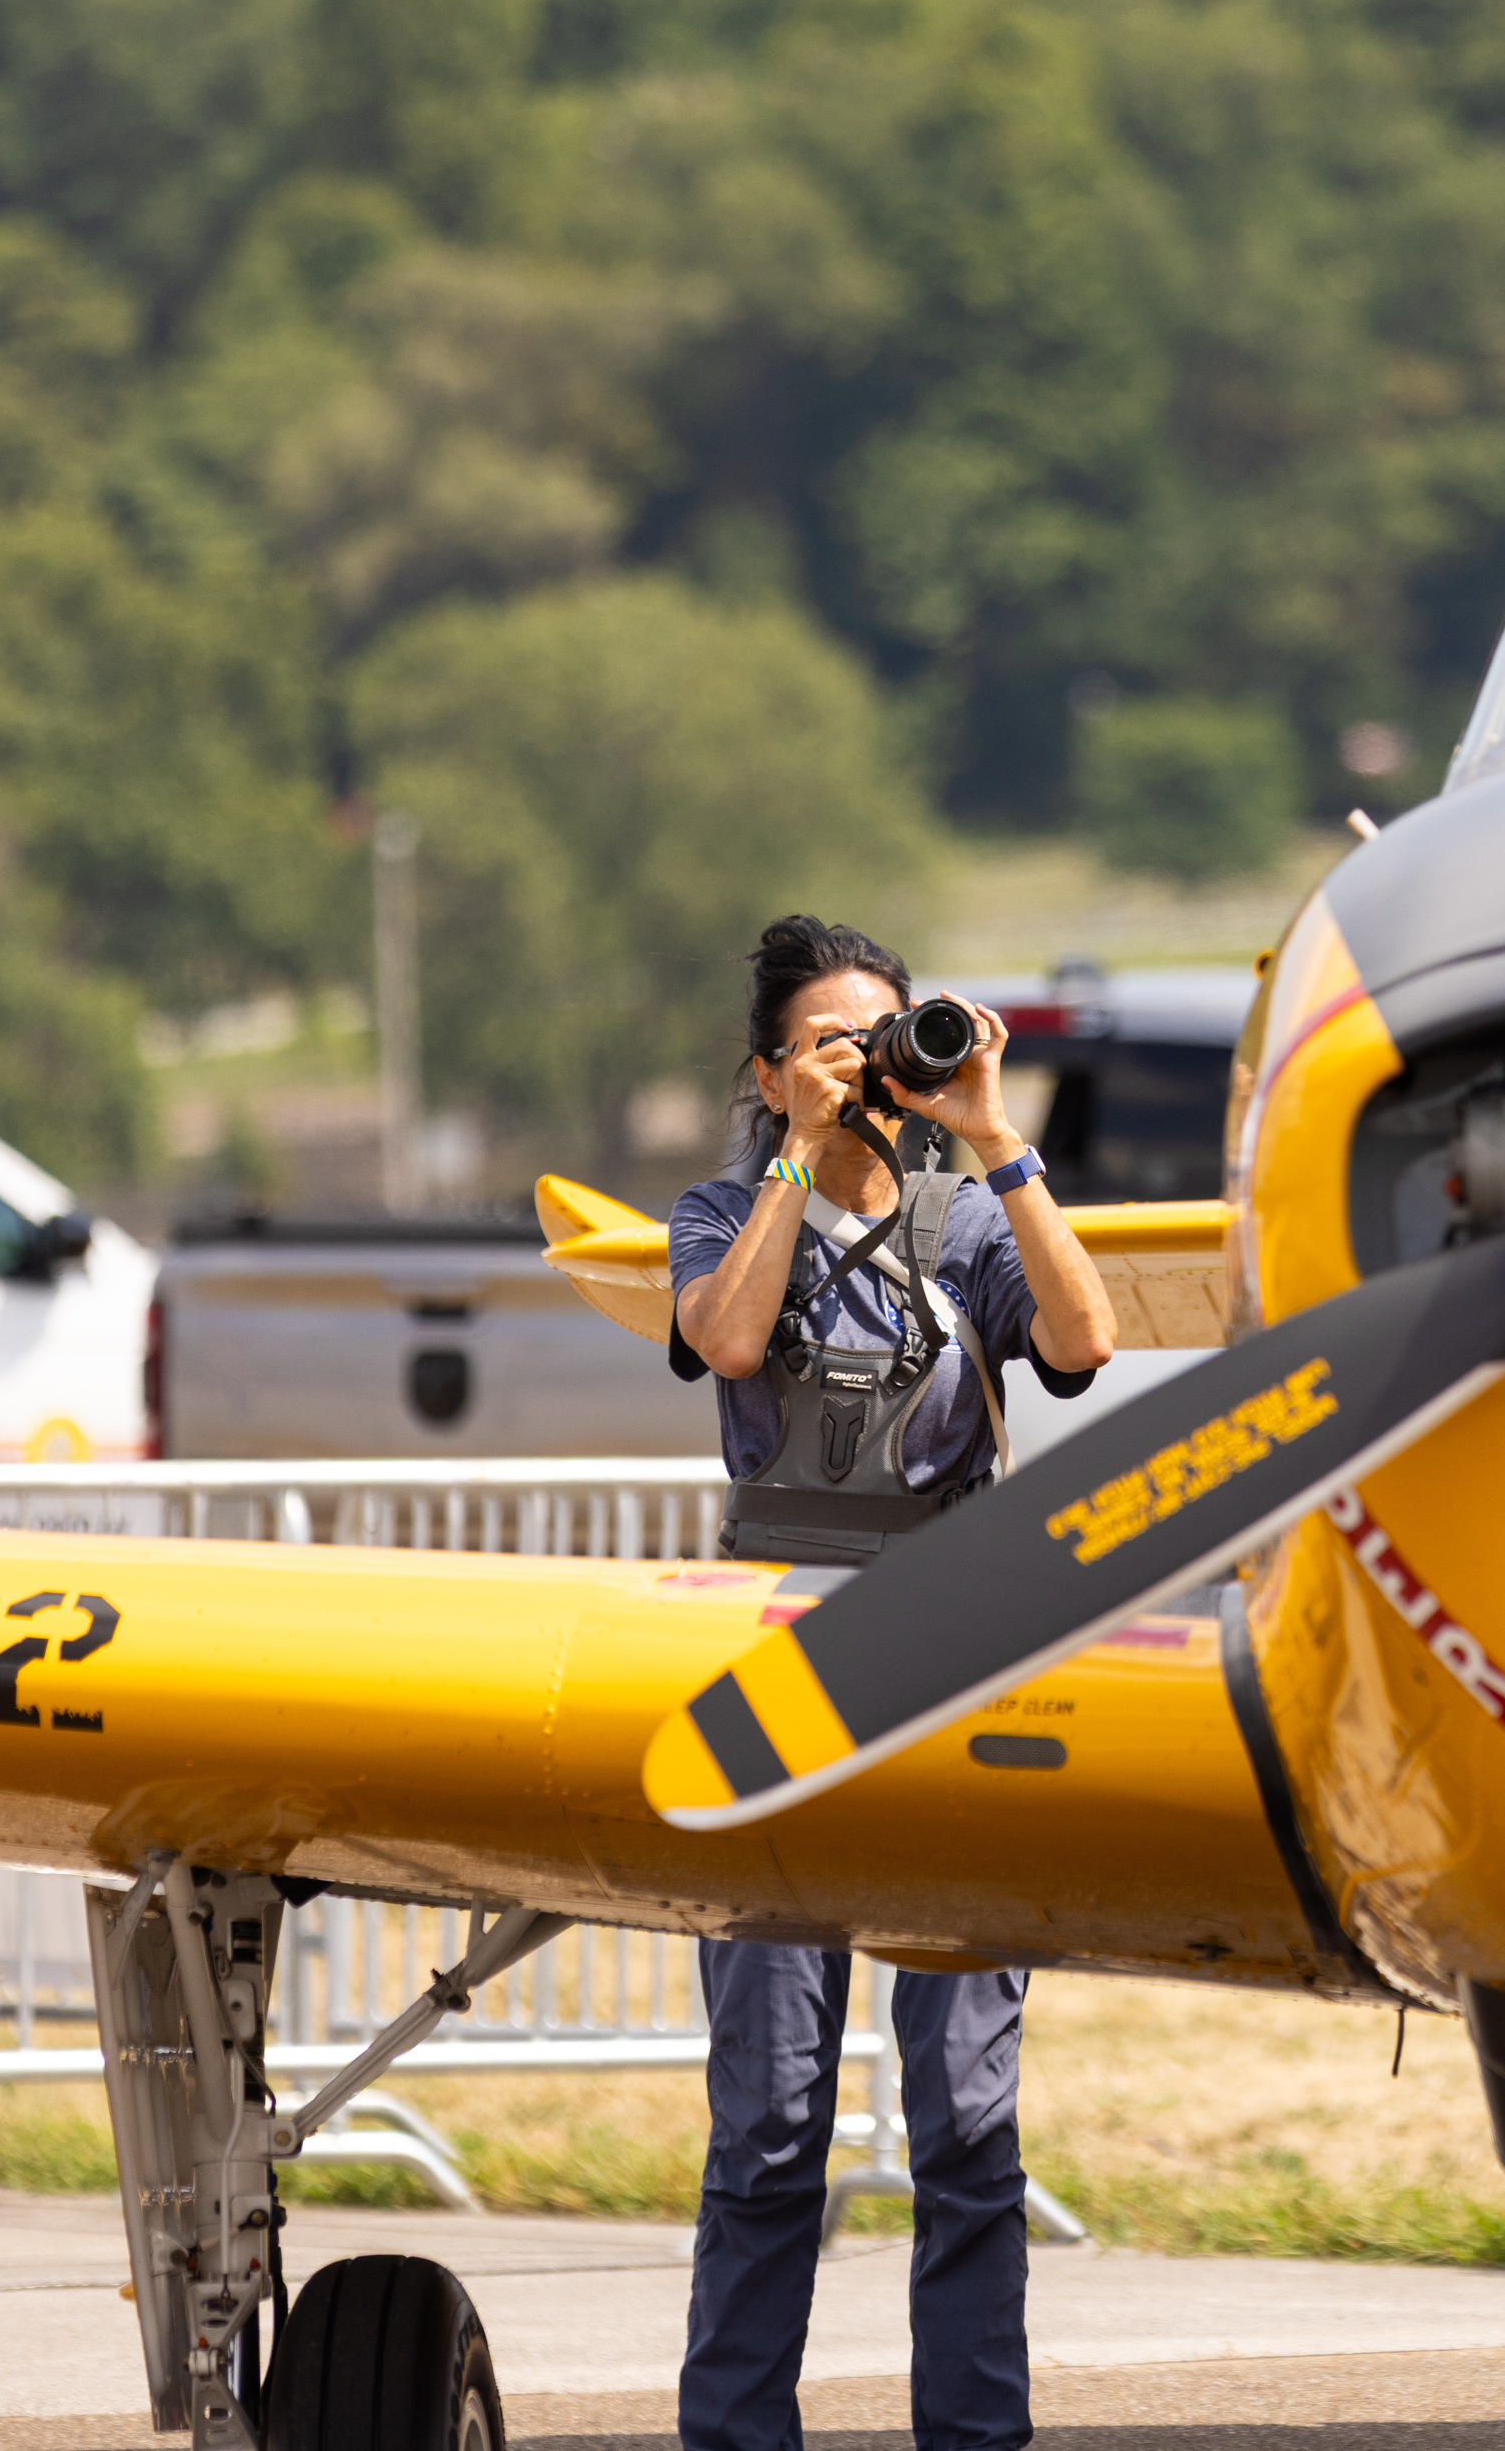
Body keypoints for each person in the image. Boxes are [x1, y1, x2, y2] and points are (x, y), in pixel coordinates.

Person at [665, 912, 1119, 2451]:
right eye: (830, 1042)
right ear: (771, 1068)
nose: (865, 1064)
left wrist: (994, 1136)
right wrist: (799, 1158)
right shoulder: (720, 1209)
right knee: (772, 2126)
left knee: (972, 2129)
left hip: (945, 1670)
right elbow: (728, 1341)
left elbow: (1085, 1335)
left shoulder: (972, 1220)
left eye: (886, 1032)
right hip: (774, 1674)